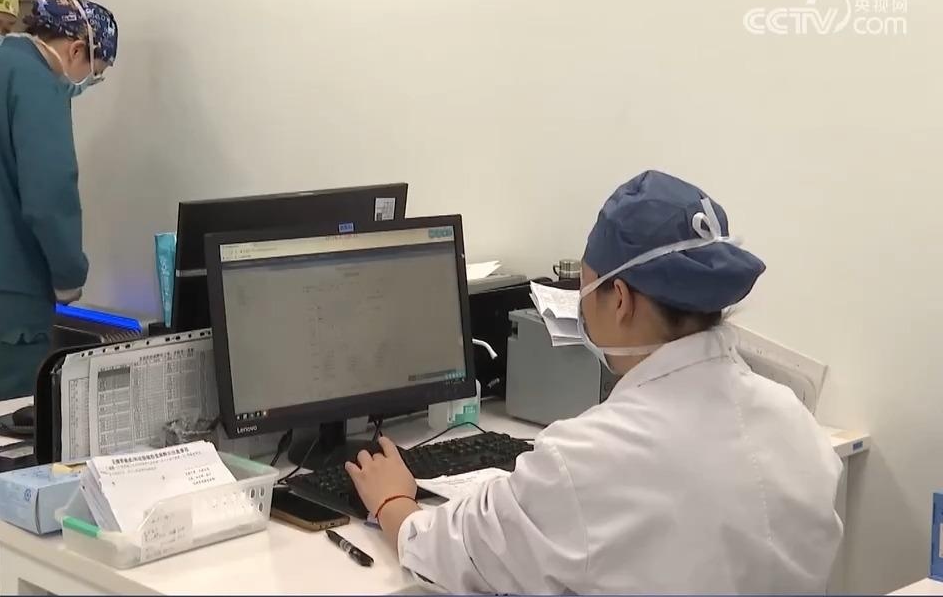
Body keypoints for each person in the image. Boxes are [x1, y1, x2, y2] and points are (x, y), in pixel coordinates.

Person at [345, 170, 843, 594]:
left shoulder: (588, 458)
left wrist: (393, 502)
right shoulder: (796, 425)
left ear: (620, 299)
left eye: (585, 288)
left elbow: (457, 554)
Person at [0, 0, 118, 399]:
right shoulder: (37, 82)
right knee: (8, 421)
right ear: (76, 49)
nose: (87, 84)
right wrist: (68, 275)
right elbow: (50, 193)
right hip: (6, 295)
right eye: (95, 73)